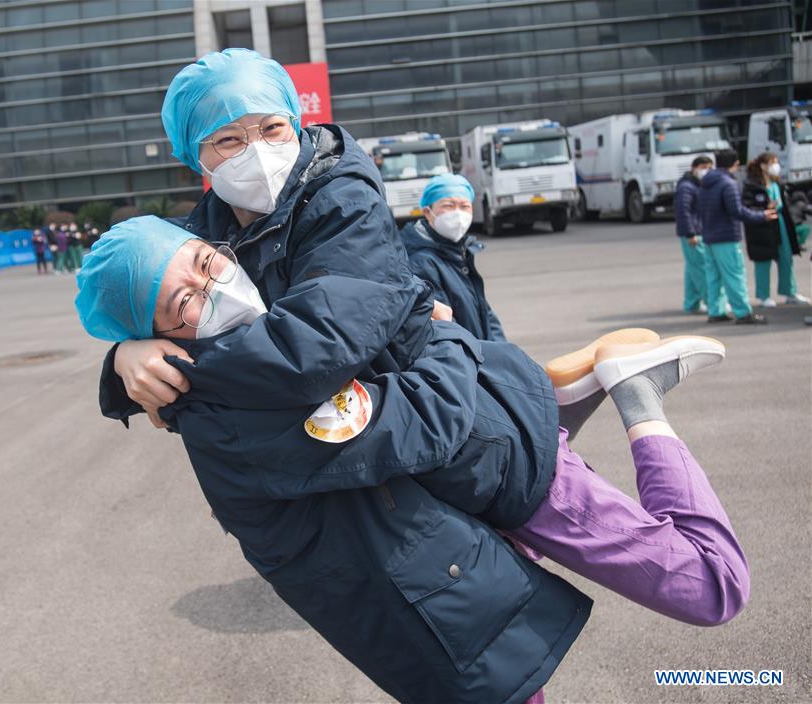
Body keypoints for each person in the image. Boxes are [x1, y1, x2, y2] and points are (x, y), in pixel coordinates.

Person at [78, 214, 749, 702]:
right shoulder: (243, 389)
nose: (217, 287)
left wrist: (445, 334)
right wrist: (118, 365)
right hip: (462, 506)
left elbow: (422, 415)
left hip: (497, 470)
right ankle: (565, 402)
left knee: (711, 588)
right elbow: (413, 420)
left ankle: (636, 396)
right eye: (185, 303)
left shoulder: (274, 309)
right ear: (162, 339)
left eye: (205, 262)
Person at [400, 174, 506, 342]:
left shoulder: (460, 252)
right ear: (428, 212)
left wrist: (503, 352)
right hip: (465, 360)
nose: (458, 214)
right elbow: (445, 327)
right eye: (449, 206)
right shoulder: (422, 261)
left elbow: (485, 313)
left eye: (465, 206)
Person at [698, 149, 777, 325]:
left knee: (713, 276)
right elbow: (737, 211)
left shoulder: (705, 182)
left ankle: (716, 311)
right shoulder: (727, 183)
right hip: (726, 236)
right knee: (734, 275)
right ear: (735, 164)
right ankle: (743, 313)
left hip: (709, 236)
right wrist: (762, 215)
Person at [741, 152, 809, 308]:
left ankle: (789, 292)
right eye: (772, 162)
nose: (775, 166)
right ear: (763, 165)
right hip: (762, 227)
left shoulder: (776, 182)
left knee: (786, 258)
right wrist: (764, 208)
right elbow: (747, 207)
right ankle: (763, 296)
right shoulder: (751, 184)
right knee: (763, 261)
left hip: (781, 224)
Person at [674, 156, 713, 314]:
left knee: (692, 269)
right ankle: (712, 301)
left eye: (710, 167)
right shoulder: (687, 186)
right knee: (701, 268)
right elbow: (683, 212)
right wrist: (690, 233)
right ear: (694, 168)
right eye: (704, 167)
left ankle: (692, 302)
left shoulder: (696, 184)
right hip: (693, 233)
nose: (706, 171)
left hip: (696, 231)